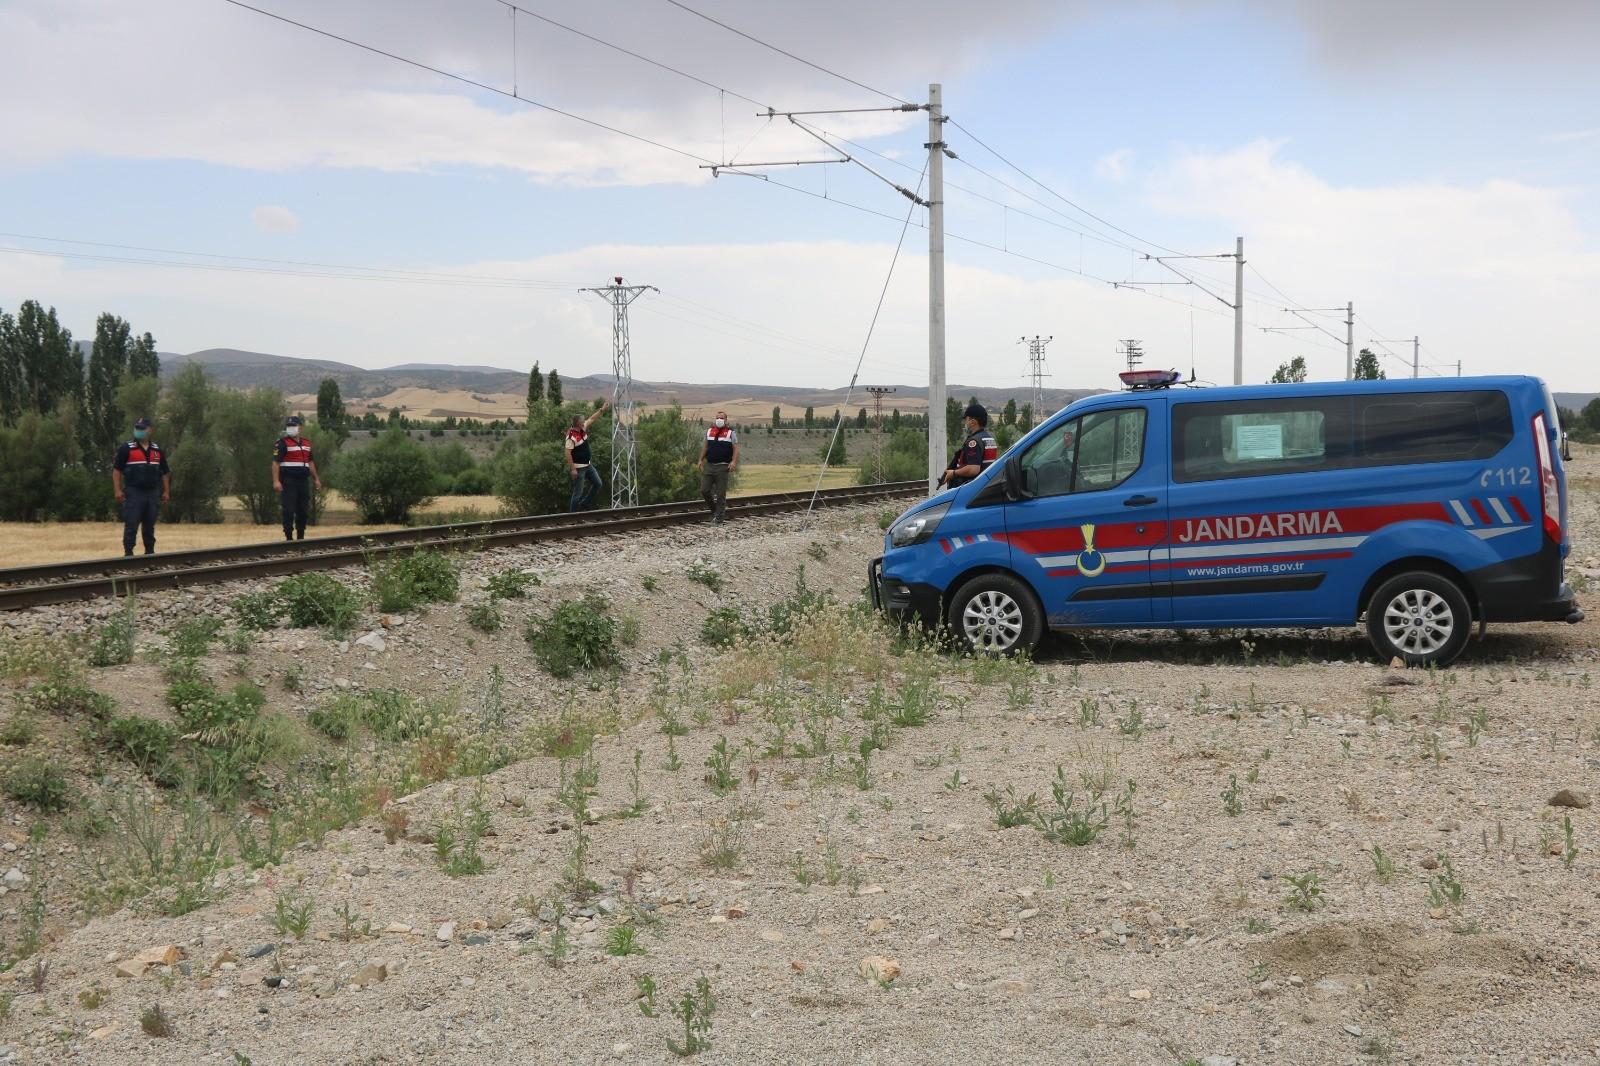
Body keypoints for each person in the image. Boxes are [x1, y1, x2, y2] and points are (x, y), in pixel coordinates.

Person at [111, 416, 170, 557]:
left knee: (149, 525)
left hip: (152, 492)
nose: (139, 431)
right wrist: (118, 490)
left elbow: (165, 472)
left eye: (142, 428)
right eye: (137, 428)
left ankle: (149, 553)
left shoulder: (157, 451)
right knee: (131, 524)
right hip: (134, 492)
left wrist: (166, 491)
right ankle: (128, 553)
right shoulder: (126, 449)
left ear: (150, 430)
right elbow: (116, 470)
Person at [272, 415, 322, 541]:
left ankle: (301, 537)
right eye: (289, 426)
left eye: (293, 426)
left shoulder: (306, 443)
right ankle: (289, 537)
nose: (291, 428)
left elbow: (310, 462)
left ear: (300, 428)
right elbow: (275, 463)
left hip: (303, 481)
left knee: (303, 510)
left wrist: (316, 479)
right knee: (288, 510)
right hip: (288, 481)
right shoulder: (282, 443)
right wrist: (276, 481)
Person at [937, 403, 999, 490]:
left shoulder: (974, 442)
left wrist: (954, 473)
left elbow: (973, 469)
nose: (965, 423)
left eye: (966, 420)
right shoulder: (989, 439)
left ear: (973, 422)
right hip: (984, 487)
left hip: (971, 490)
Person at [566, 399, 610, 511]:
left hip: (588, 465)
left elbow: (592, 418)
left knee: (598, 483)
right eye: (582, 420)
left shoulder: (582, 428)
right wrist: (573, 469)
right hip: (578, 468)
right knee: (577, 494)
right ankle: (572, 517)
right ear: (578, 423)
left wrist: (602, 410)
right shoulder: (571, 436)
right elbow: (568, 453)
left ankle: (585, 503)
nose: (584, 421)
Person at [698, 410, 740, 524]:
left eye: (722, 418)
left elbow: (736, 448)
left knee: (721, 494)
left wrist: (734, 462)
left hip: (723, 466)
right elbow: (705, 447)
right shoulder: (709, 431)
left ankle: (719, 518)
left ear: (726, 421)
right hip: (709, 466)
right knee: (704, 490)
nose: (719, 420)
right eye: (717, 418)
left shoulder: (731, 433)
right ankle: (715, 511)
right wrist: (700, 460)